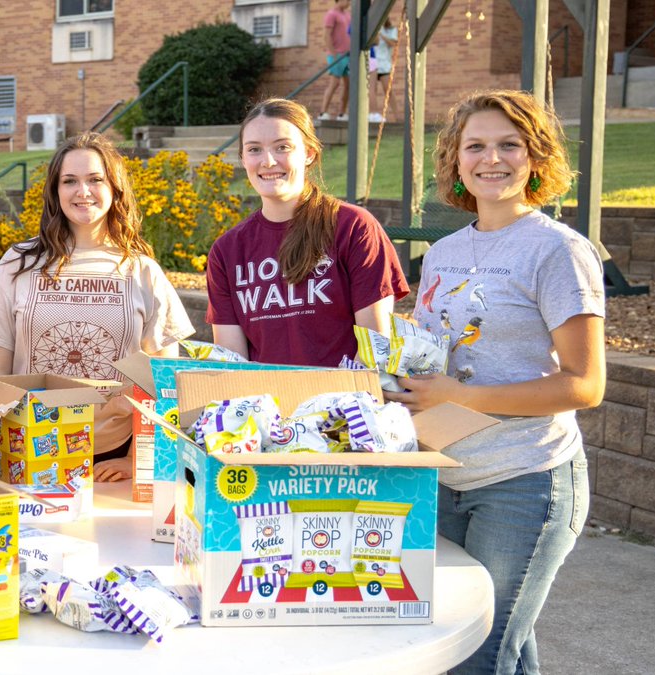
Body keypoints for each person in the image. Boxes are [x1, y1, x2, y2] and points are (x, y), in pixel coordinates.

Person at [385, 90, 605, 674]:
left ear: (536, 158)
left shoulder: (559, 251)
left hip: (524, 482)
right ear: (455, 159)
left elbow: (585, 385)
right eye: (475, 145)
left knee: (479, 656)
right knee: (502, 642)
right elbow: (444, 360)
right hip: (448, 474)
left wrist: (461, 395)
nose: (492, 159)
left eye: (510, 145)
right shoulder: (443, 254)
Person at [0, 132, 194, 482]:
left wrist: (136, 461)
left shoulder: (142, 271)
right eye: (69, 181)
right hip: (28, 452)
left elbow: (163, 383)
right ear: (55, 193)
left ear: (115, 189)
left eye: (95, 180)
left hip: (113, 455)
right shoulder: (18, 264)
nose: (82, 191)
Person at [206, 98, 408, 366]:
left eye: (283, 147)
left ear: (309, 153)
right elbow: (232, 363)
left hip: (344, 403)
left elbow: (375, 346)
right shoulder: (227, 251)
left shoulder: (353, 227)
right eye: (254, 149)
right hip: (263, 405)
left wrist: (326, 406)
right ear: (243, 158)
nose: (268, 161)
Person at [319, 0, 352, 121]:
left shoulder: (348, 15)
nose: (349, 2)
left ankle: (342, 114)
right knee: (335, 83)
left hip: (348, 55)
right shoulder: (331, 14)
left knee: (348, 84)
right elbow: (326, 35)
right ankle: (323, 112)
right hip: (336, 55)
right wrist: (333, 54)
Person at [369, 17, 398, 123]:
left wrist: (381, 34)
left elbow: (393, 43)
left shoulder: (390, 29)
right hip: (373, 62)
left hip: (384, 64)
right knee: (372, 89)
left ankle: (397, 117)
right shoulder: (373, 27)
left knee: (388, 90)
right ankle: (373, 114)